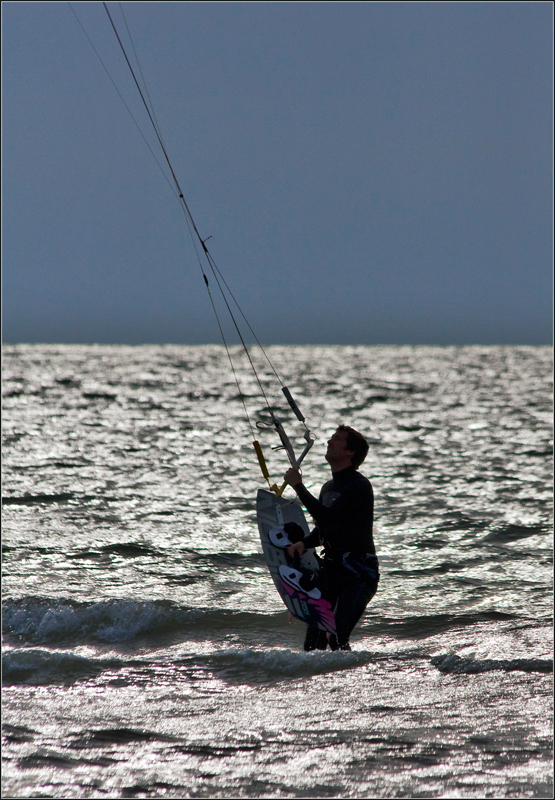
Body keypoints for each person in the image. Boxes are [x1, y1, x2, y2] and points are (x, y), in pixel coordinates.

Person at [283, 425, 379, 651]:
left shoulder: (359, 486)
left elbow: (328, 516)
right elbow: (324, 527)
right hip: (333, 573)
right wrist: (304, 543)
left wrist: (298, 486)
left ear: (350, 452)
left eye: (336, 439)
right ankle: (323, 684)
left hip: (359, 574)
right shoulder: (328, 487)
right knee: (312, 646)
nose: (329, 442)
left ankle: (352, 680)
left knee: (335, 637)